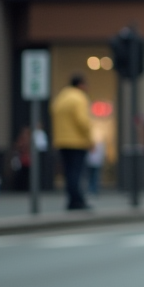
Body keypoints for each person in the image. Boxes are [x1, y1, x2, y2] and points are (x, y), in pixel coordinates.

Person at [52, 73, 93, 210]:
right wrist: (90, 139)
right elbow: (83, 121)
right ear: (80, 84)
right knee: (76, 172)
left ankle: (71, 200)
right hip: (77, 141)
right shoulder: (79, 98)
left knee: (69, 172)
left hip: (62, 141)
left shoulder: (61, 97)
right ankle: (77, 200)